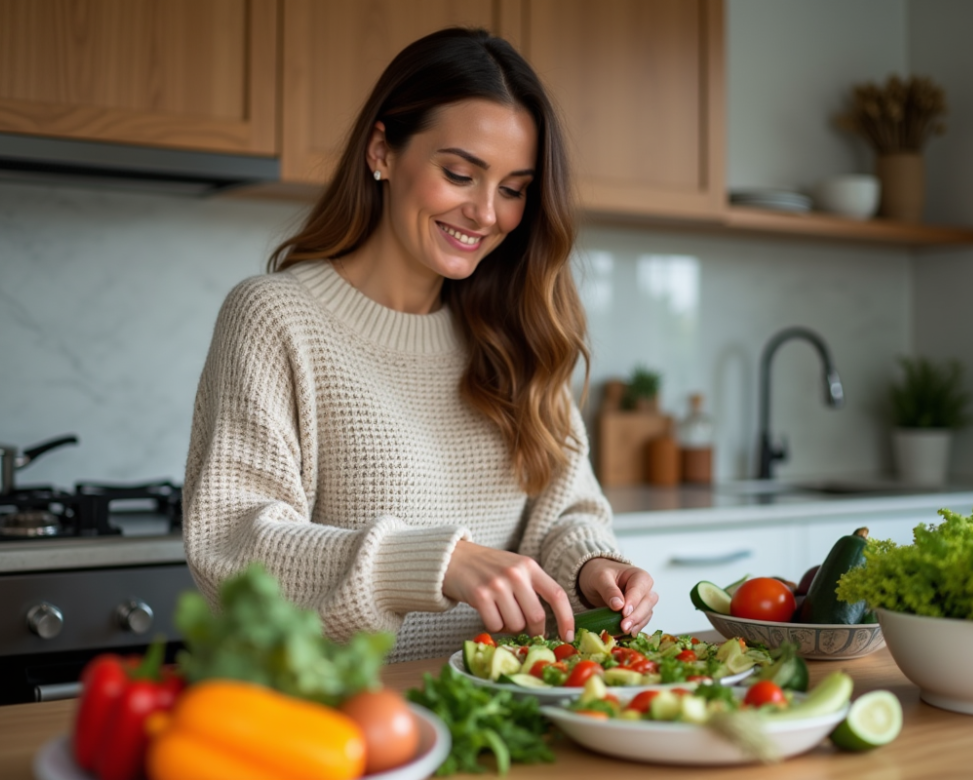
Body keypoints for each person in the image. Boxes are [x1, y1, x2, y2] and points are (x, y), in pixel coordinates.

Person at [183, 27, 658, 662]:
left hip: (497, 722)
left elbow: (566, 508)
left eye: (513, 189)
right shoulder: (277, 318)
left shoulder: (517, 330)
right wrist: (438, 562)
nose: (487, 213)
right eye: (460, 173)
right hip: (344, 730)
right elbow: (235, 551)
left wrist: (591, 564)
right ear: (382, 151)